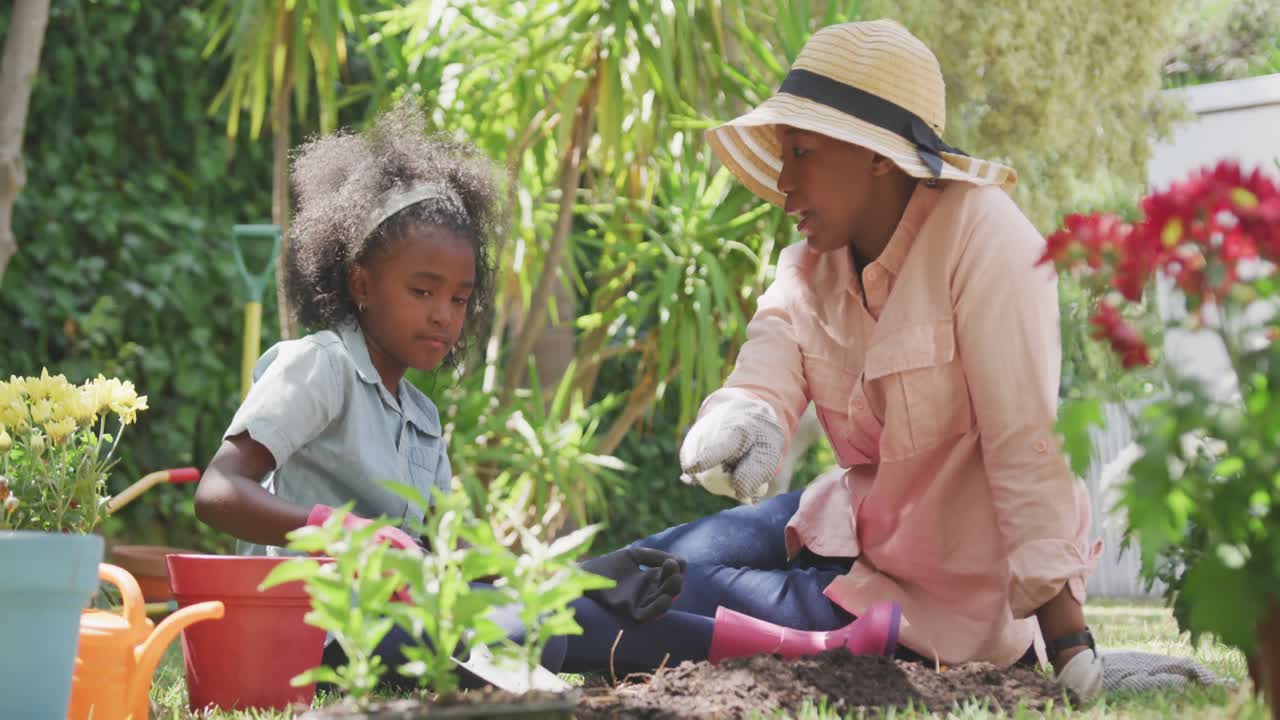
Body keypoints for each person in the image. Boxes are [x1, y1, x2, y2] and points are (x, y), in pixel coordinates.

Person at [192, 102, 899, 691]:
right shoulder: (318, 366)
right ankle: (807, 651)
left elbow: (468, 562)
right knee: (524, 626)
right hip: (314, 639)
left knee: (568, 613)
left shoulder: (421, 417)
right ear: (361, 285)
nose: (444, 314)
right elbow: (219, 492)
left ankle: (812, 653)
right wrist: (336, 529)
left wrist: (596, 578)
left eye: (461, 298)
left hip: (413, 624)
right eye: (422, 291)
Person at [586, 19, 1105, 700]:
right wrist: (749, 415)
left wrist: (1065, 636)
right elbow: (769, 356)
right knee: (649, 563)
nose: (781, 181)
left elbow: (1026, 440)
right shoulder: (808, 263)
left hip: (940, 603)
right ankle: (455, 602)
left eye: (800, 152)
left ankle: (441, 631)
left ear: (878, 156)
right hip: (845, 520)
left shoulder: (988, 240)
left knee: (662, 596)